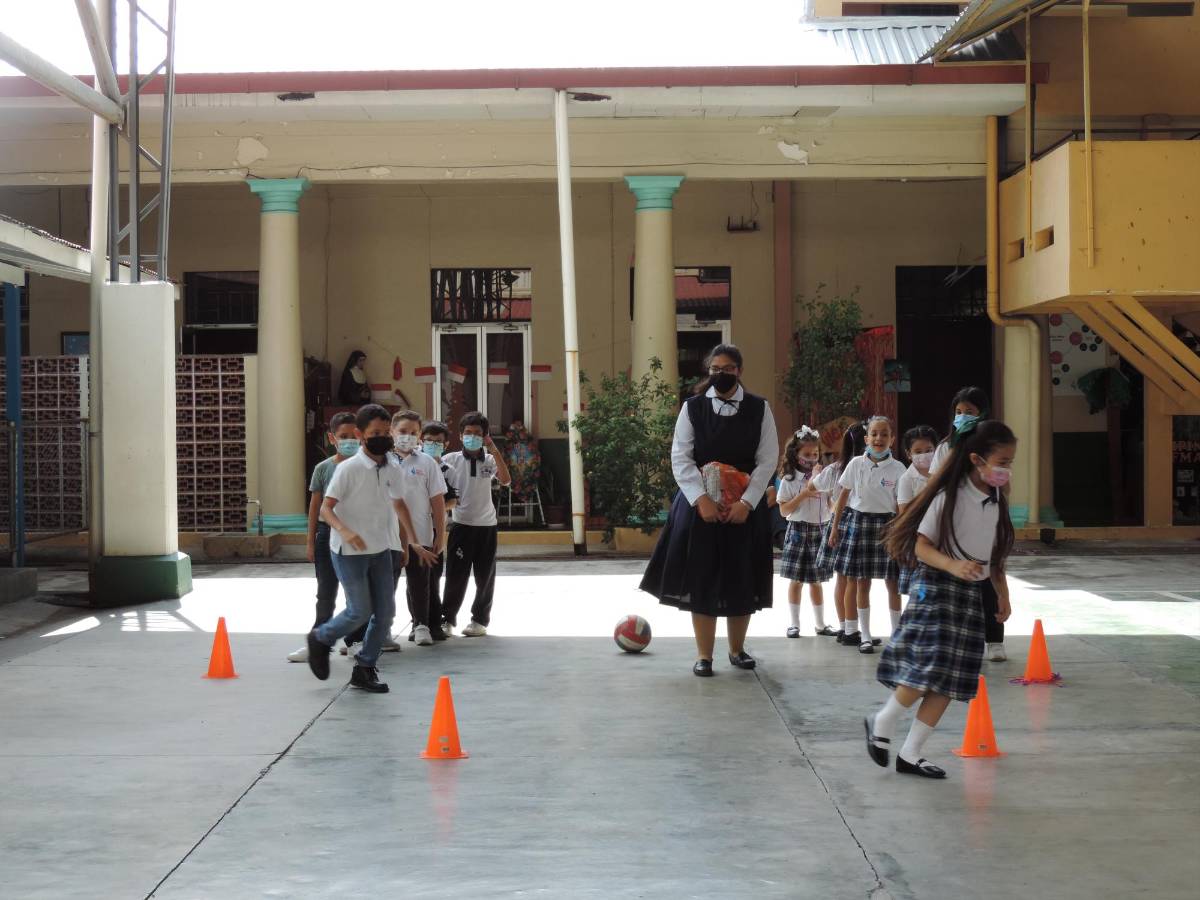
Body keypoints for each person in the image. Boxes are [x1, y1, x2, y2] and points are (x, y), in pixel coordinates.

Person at [864, 419, 1016, 779]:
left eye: (1010, 463)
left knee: (951, 677)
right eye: (1002, 462)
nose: (1006, 470)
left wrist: (1002, 592)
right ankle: (882, 721)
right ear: (977, 459)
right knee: (929, 665)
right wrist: (953, 565)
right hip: (936, 586)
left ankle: (910, 753)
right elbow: (921, 546)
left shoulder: (996, 501)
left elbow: (994, 555)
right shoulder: (950, 496)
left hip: (969, 592)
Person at [640, 343, 779, 677]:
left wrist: (747, 502)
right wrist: (700, 499)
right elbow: (681, 457)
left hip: (743, 508)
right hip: (701, 507)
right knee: (702, 576)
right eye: (715, 369)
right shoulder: (693, 408)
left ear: (739, 371)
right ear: (709, 371)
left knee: (741, 576)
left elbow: (767, 459)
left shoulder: (760, 408)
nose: (721, 374)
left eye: (728, 369)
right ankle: (704, 655)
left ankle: (737, 649)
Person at [304, 404, 437, 693]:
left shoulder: (393, 466)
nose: (381, 438)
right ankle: (321, 638)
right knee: (360, 610)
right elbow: (326, 508)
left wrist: (412, 541)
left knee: (385, 613)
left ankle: (365, 668)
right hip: (348, 551)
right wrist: (345, 530)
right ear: (360, 434)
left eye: (385, 432)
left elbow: (399, 504)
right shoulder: (348, 469)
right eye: (374, 433)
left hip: (380, 549)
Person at [929, 386, 1008, 662]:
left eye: (970, 412)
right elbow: (935, 482)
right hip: (953, 516)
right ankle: (955, 639)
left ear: (982, 414)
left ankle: (994, 639)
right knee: (957, 576)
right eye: (959, 411)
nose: (963, 416)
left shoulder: (991, 446)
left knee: (987, 575)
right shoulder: (944, 447)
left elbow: (999, 479)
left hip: (984, 512)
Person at [288, 412, 362, 663]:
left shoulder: (367, 467)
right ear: (332, 438)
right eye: (343, 436)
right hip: (327, 535)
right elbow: (315, 506)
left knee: (356, 593)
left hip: (357, 536)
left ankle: (356, 641)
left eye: (354, 436)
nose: (349, 441)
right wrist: (310, 542)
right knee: (325, 593)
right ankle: (319, 642)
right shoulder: (323, 468)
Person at [828, 415, 906, 654]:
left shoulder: (899, 469)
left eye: (884, 434)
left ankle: (897, 636)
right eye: (874, 434)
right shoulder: (855, 464)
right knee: (862, 582)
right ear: (866, 439)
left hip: (888, 526)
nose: (878, 438)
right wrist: (835, 527)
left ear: (892, 439)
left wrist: (901, 533)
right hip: (859, 524)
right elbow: (843, 496)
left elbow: (901, 504)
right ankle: (865, 635)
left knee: (893, 583)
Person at [439, 412, 511, 637]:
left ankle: (479, 620)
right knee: (456, 575)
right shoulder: (450, 460)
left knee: (485, 576)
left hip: (486, 526)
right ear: (460, 436)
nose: (472, 437)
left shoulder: (489, 460)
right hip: (461, 525)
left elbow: (506, 479)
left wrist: (493, 448)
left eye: (477, 433)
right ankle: (447, 619)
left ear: (484, 436)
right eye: (468, 433)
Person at [389, 410, 448, 646]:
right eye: (402, 431)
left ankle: (421, 624)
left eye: (413, 432)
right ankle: (382, 627)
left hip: (421, 533)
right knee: (387, 584)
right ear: (392, 431)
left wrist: (440, 533)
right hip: (388, 535)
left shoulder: (427, 462)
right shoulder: (382, 461)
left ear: (420, 435)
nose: (407, 436)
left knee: (419, 582)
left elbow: (438, 501)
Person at [776, 425, 835, 638]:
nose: (812, 458)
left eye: (815, 454)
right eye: (807, 454)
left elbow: (830, 505)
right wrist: (804, 494)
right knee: (796, 580)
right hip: (798, 531)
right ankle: (794, 624)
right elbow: (784, 511)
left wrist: (834, 503)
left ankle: (820, 624)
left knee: (816, 581)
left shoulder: (824, 478)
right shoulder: (789, 480)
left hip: (820, 530)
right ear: (796, 455)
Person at [814, 423, 866, 643]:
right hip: (859, 522)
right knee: (858, 580)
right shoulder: (863, 466)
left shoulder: (835, 468)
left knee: (843, 578)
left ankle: (846, 627)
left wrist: (830, 501)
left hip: (839, 521)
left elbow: (813, 486)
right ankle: (852, 628)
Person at [416, 420, 457, 639]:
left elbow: (453, 500)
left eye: (437, 442)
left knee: (434, 578)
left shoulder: (448, 470)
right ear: (421, 441)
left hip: (435, 530)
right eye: (428, 441)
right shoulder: (411, 465)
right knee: (416, 579)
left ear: (446, 444)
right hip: (415, 531)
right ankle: (418, 622)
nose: (432, 445)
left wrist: (434, 508)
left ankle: (434, 623)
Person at [895, 425, 939, 599]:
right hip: (916, 538)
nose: (924, 455)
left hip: (942, 536)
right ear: (909, 454)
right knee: (919, 591)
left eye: (929, 450)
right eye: (918, 451)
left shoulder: (943, 474)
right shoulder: (907, 479)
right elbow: (904, 513)